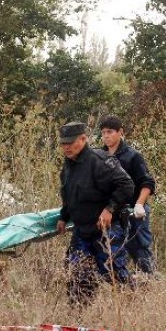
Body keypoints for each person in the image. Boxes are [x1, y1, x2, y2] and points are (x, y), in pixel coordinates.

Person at [56, 122, 134, 303]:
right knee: (76, 274)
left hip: (107, 229)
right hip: (81, 230)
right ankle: (79, 317)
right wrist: (63, 217)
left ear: (83, 139)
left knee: (114, 274)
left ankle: (131, 307)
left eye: (70, 142)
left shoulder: (100, 160)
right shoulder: (68, 167)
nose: (66, 147)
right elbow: (69, 197)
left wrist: (110, 209)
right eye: (63, 143)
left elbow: (127, 185)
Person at [99, 115, 156, 274]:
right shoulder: (99, 156)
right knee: (112, 251)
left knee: (140, 250)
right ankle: (125, 288)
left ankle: (150, 283)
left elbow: (147, 183)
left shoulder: (133, 156)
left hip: (134, 211)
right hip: (112, 213)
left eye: (109, 132)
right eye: (103, 132)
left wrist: (139, 204)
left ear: (120, 132)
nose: (106, 136)